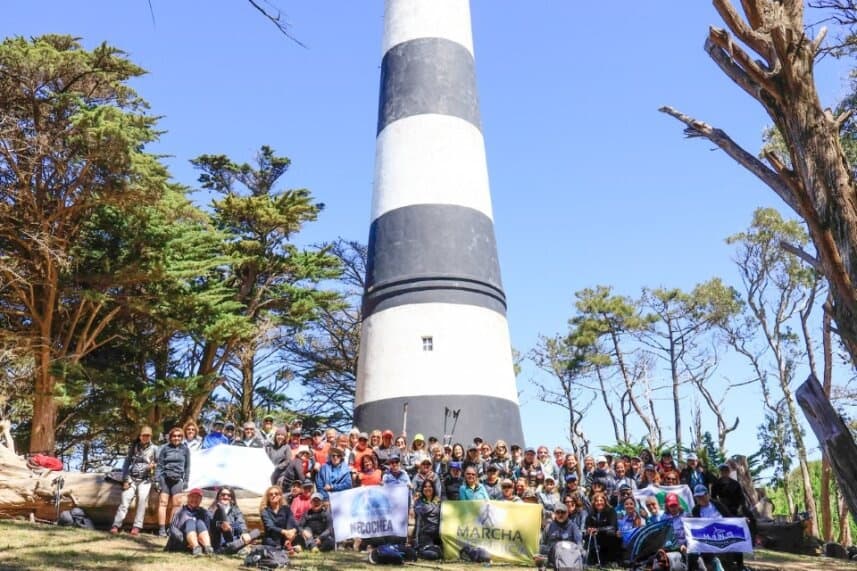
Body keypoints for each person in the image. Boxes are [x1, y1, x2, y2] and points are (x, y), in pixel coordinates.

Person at [110, 425, 158, 535]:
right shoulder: (134, 446)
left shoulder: (155, 448)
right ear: (140, 436)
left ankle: (137, 526)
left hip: (146, 479)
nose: (145, 437)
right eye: (143, 435)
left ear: (151, 436)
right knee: (124, 500)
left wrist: (153, 466)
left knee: (141, 501)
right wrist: (125, 479)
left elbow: (159, 463)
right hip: (132, 478)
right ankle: (116, 524)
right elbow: (126, 463)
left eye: (148, 435)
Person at [691, 484, 746, 571]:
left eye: (702, 495)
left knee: (736, 545)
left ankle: (739, 566)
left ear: (708, 495)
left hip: (724, 536)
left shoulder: (717, 504)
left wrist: (742, 521)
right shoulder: (695, 510)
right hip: (707, 538)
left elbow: (729, 517)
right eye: (698, 497)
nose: (701, 498)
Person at [156, 426, 191, 537]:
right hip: (165, 478)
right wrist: (157, 480)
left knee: (176, 504)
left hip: (178, 480)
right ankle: (161, 529)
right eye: (174, 436)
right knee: (163, 503)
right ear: (170, 437)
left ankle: (171, 528)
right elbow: (160, 466)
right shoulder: (165, 449)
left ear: (182, 437)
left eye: (179, 436)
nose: (176, 438)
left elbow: (187, 467)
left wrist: (186, 481)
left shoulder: (185, 449)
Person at [208, 486, 259, 554]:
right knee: (220, 511)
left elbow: (241, 523)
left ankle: (234, 547)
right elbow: (211, 524)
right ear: (218, 496)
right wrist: (222, 525)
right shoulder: (211, 510)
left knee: (256, 532)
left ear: (231, 498)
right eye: (223, 494)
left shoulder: (235, 510)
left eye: (229, 495)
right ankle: (235, 547)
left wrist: (244, 533)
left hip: (233, 540)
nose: (226, 497)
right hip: (219, 542)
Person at [164, 488, 213, 556]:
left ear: (201, 500)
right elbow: (172, 529)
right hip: (181, 542)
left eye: (197, 497)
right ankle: (196, 548)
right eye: (192, 497)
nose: (194, 499)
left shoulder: (204, 513)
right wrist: (185, 541)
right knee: (190, 522)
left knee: (200, 522)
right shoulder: (180, 511)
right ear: (188, 497)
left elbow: (209, 528)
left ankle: (208, 548)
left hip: (199, 542)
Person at [537, 503, 582, 570]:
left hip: (568, 555)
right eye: (558, 512)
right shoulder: (549, 526)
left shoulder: (573, 526)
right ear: (555, 513)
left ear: (567, 513)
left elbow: (579, 543)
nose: (560, 515)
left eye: (563, 512)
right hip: (552, 554)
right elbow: (542, 543)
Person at [260, 485, 301, 550]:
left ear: (280, 496)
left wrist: (292, 533)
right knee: (271, 543)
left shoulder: (286, 509)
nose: (274, 495)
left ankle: (289, 545)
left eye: (276, 494)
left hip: (285, 538)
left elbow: (293, 523)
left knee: (297, 533)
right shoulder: (265, 511)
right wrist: (285, 532)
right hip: (272, 539)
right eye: (271, 494)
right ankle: (287, 547)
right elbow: (270, 527)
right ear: (268, 497)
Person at [584, 492, 620, 565]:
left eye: (601, 500)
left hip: (608, 538)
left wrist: (598, 530)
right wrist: (589, 529)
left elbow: (613, 527)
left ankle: (611, 560)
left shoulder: (611, 511)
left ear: (605, 501)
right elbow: (587, 525)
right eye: (597, 501)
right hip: (596, 538)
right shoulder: (591, 514)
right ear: (594, 503)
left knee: (610, 534)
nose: (599, 503)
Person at [414, 479, 441, 549]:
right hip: (425, 533)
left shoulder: (439, 500)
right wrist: (434, 503)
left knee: (440, 552)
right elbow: (423, 511)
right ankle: (421, 551)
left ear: (433, 488)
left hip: (438, 533)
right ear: (422, 489)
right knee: (432, 554)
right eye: (425, 487)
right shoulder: (419, 501)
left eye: (430, 487)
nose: (427, 489)